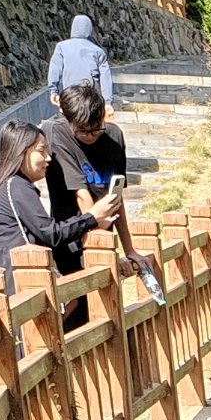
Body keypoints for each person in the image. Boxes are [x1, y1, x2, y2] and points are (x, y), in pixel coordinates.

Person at [46, 79, 157, 300]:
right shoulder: (57, 134)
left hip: (104, 240)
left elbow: (117, 198)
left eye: (97, 129)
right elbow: (81, 194)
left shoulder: (114, 136)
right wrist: (98, 236)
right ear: (69, 122)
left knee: (108, 304)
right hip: (71, 240)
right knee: (79, 309)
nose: (91, 136)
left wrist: (129, 249)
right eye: (84, 132)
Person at [0, 118, 119, 283]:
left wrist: (91, 222)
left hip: (21, 278)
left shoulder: (14, 186)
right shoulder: (15, 185)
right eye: (41, 151)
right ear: (20, 151)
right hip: (17, 281)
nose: (48, 158)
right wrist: (92, 216)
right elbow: (51, 233)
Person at [45, 13, 114, 110]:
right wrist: (107, 102)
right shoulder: (98, 51)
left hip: (70, 96)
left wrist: (53, 91)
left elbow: (55, 69)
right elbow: (105, 77)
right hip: (92, 98)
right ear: (89, 30)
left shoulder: (61, 47)